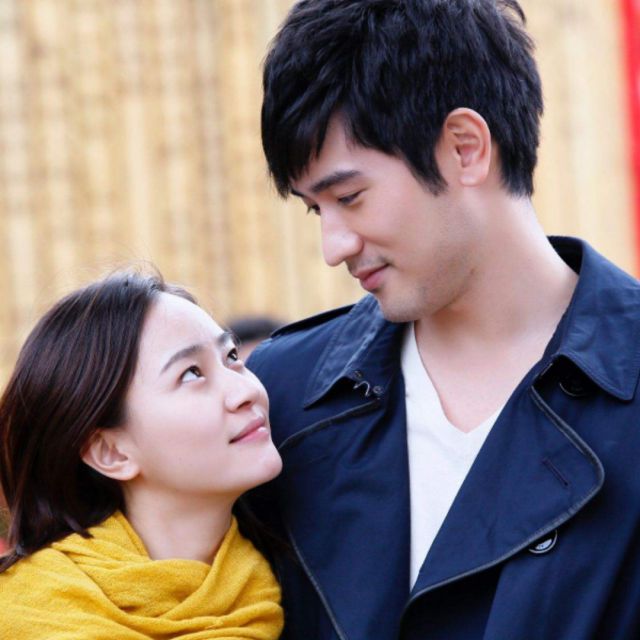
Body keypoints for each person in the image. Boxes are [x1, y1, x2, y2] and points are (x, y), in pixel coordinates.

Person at [247, 1, 640, 638]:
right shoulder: (277, 400)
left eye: (349, 197)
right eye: (317, 210)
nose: (333, 247)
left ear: (465, 148)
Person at [0, 270, 284, 639]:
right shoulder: (27, 614)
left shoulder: (285, 583)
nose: (245, 391)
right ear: (110, 452)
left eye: (230, 356)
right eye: (191, 374)